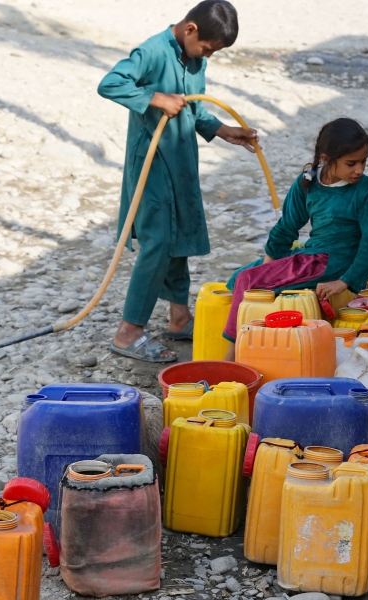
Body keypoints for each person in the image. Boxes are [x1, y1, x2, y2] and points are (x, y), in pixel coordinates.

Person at [98, 0, 259, 363]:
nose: (208, 55)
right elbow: (109, 83)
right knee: (157, 242)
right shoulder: (153, 51)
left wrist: (224, 131)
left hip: (181, 158)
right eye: (207, 47)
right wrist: (153, 97)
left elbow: (194, 108)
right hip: (152, 164)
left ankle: (179, 317)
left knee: (178, 238)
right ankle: (128, 332)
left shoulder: (194, 59)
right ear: (191, 30)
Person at [221, 118, 368, 356]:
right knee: (238, 279)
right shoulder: (307, 182)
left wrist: (344, 282)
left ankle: (232, 356)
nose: (359, 169)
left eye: (363, 161)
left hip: (331, 262)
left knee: (248, 280)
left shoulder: (365, 190)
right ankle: (258, 342)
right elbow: (287, 226)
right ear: (326, 159)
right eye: (351, 163)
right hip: (312, 256)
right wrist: (268, 267)